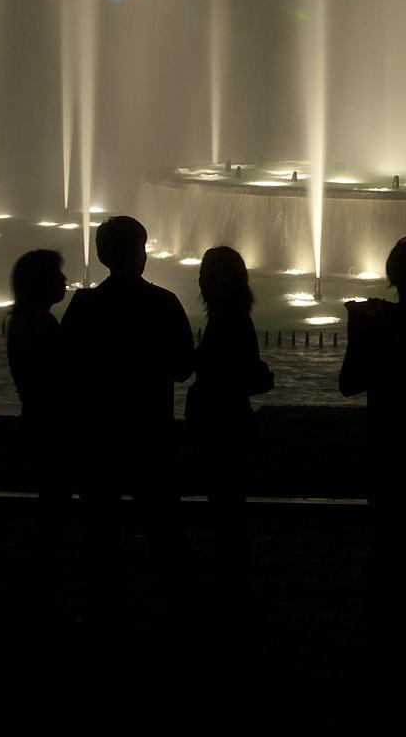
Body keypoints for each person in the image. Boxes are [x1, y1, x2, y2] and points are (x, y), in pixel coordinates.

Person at [58, 214, 195, 618]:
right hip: (150, 435)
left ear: (101, 254)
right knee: (164, 527)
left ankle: (105, 609)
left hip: (98, 437)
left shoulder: (84, 306)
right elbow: (183, 367)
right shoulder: (163, 303)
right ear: (141, 253)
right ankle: (179, 608)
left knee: (100, 531)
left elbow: (66, 370)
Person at [340, 234, 406, 644]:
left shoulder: (375, 323)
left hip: (385, 445)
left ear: (391, 276)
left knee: (386, 543)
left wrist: (359, 331)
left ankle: (382, 630)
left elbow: (349, 383)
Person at [187, 246, 274, 605]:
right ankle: (231, 577)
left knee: (226, 506)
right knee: (227, 505)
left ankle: (231, 583)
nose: (201, 279)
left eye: (206, 274)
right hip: (230, 423)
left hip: (223, 426)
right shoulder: (233, 316)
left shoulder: (229, 320)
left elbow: (234, 371)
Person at [6, 249, 70, 608]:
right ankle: (39, 591)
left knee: (51, 510)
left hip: (34, 420)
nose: (64, 280)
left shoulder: (19, 321)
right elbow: (64, 372)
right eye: (58, 275)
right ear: (40, 283)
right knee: (54, 513)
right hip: (52, 426)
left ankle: (38, 588)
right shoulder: (42, 324)